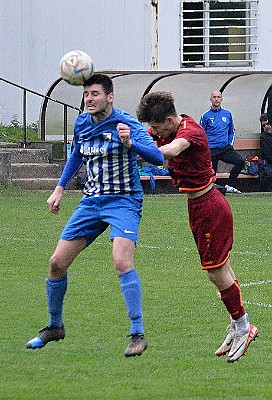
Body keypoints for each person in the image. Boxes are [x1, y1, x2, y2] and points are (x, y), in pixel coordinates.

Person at [26, 74, 164, 357]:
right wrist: (59, 188)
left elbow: (157, 157)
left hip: (124, 201)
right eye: (86, 94)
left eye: (95, 94)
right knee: (56, 263)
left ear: (110, 97)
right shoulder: (82, 123)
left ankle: (137, 333)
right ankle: (55, 326)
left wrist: (130, 144)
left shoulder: (126, 123)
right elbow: (77, 153)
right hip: (91, 202)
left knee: (121, 261)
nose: (89, 99)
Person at [136, 91, 258, 363]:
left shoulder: (190, 131)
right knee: (220, 270)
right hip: (198, 205)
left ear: (169, 120)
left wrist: (139, 150)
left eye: (157, 127)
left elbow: (170, 151)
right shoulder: (167, 129)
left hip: (209, 206)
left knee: (215, 272)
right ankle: (236, 324)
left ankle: (243, 327)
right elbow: (147, 137)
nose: (154, 131)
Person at [200, 90, 245, 193]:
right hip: (211, 149)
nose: (216, 99)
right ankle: (212, 192)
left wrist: (230, 144)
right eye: (214, 97)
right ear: (210, 99)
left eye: (218, 97)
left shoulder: (227, 114)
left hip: (225, 148)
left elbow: (232, 131)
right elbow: (201, 133)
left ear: (221, 99)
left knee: (240, 161)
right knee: (211, 174)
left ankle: (229, 185)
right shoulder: (205, 115)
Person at [259, 113, 272, 191]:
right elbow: (268, 156)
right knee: (267, 173)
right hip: (269, 163)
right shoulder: (263, 138)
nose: (266, 126)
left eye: (268, 123)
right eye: (264, 125)